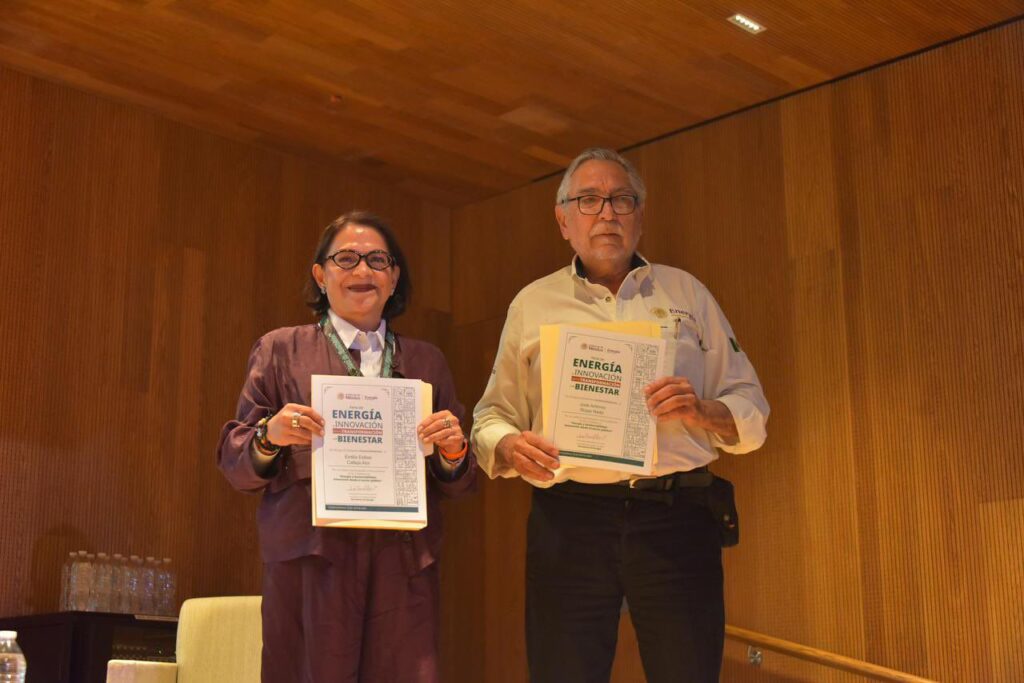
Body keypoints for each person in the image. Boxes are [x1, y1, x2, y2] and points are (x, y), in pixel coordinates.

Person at [471, 148, 769, 683]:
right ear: (563, 220)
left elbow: (752, 408)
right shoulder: (532, 304)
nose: (607, 213)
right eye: (588, 200)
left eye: (621, 199)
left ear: (640, 215)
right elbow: (492, 416)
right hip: (570, 520)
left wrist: (703, 411)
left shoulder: (688, 294)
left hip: (677, 516)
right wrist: (511, 447)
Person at [217, 211, 476, 683]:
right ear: (321, 275)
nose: (362, 271)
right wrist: (269, 435)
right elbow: (236, 463)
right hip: (312, 559)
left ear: (394, 277)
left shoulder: (426, 361)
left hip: (402, 561)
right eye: (346, 259)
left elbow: (460, 479)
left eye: (378, 260)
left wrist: (454, 452)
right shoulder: (281, 351)